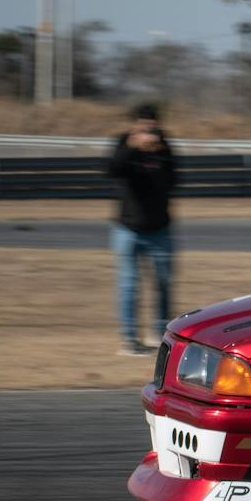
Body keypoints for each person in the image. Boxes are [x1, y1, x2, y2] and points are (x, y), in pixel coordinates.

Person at [107, 103, 178, 355]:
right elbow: (111, 170)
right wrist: (132, 149)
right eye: (143, 124)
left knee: (164, 283)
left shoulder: (164, 145)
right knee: (129, 285)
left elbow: (173, 182)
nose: (149, 129)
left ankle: (161, 336)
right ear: (134, 125)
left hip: (159, 227)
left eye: (153, 124)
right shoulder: (122, 143)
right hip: (127, 228)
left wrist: (158, 155)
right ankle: (129, 339)